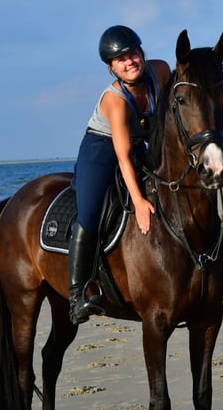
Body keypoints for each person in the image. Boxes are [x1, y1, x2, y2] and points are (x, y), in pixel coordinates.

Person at [68, 25, 171, 324]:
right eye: (121, 59)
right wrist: (138, 202)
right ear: (112, 67)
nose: (129, 62)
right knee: (89, 214)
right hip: (101, 150)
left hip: (139, 142)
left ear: (142, 53)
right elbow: (123, 158)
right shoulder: (115, 99)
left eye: (133, 54)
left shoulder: (160, 71)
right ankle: (77, 296)